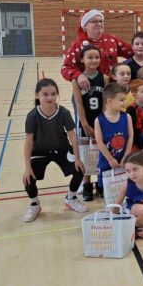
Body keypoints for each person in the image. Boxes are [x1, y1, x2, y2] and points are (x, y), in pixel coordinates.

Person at [22, 79, 87, 222]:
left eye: (53, 94)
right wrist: (27, 167)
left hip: (61, 149)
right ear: (37, 95)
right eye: (45, 94)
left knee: (79, 170)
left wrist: (77, 158)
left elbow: (72, 136)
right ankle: (35, 204)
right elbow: (28, 142)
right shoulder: (32, 116)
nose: (50, 97)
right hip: (39, 152)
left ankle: (71, 198)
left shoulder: (63, 112)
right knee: (28, 178)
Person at [61, 9, 143, 91]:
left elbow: (135, 50)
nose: (99, 24)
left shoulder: (111, 39)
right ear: (85, 26)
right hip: (89, 91)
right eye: (94, 21)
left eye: (101, 21)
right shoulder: (77, 45)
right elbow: (66, 68)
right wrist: (78, 75)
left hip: (112, 89)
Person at [70, 45, 108, 196]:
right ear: (82, 59)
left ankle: (100, 182)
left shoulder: (104, 78)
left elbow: (105, 101)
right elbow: (78, 104)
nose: (94, 60)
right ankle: (86, 183)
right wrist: (85, 124)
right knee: (86, 153)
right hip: (84, 122)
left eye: (96, 57)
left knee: (100, 151)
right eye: (90, 57)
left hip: (100, 120)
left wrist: (102, 121)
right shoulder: (76, 81)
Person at [94, 82, 134, 201]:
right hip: (106, 162)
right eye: (121, 100)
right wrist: (110, 159)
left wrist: (126, 156)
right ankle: (110, 209)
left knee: (126, 190)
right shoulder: (99, 120)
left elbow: (130, 137)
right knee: (109, 194)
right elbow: (99, 142)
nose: (125, 102)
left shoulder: (127, 117)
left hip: (124, 160)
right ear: (110, 101)